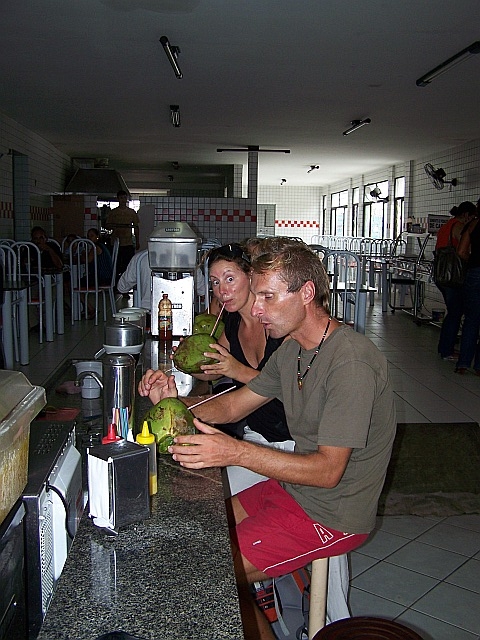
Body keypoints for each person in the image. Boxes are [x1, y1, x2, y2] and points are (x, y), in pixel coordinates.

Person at [139, 240, 396, 640]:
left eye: (267, 297)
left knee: (214, 569)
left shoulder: (350, 362)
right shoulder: (293, 349)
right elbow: (234, 405)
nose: (256, 309)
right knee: (203, 530)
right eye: (256, 296)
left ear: (306, 293)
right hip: (295, 489)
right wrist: (173, 407)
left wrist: (234, 451)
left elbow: (329, 472)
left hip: (333, 510)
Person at [435, 201, 476, 360]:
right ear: (466, 215)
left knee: (454, 312)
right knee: (455, 313)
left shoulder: (446, 225)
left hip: (443, 275)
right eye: (472, 216)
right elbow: (464, 249)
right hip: (453, 276)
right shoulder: (459, 226)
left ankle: (445, 347)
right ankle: (447, 350)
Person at [455, 200, 480, 375]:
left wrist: (473, 261)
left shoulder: (472, 225)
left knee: (472, 319)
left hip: (475, 274)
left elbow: (461, 252)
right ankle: (479, 366)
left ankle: (463, 363)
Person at [104, 190, 140, 286]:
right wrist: (114, 226)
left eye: (124, 198)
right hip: (116, 242)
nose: (123, 200)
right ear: (118, 199)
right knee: (115, 265)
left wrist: (137, 241)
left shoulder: (131, 212)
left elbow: (136, 227)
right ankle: (114, 285)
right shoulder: (113, 212)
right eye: (121, 198)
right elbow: (107, 225)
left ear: (126, 199)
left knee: (127, 266)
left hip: (128, 242)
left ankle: (125, 287)